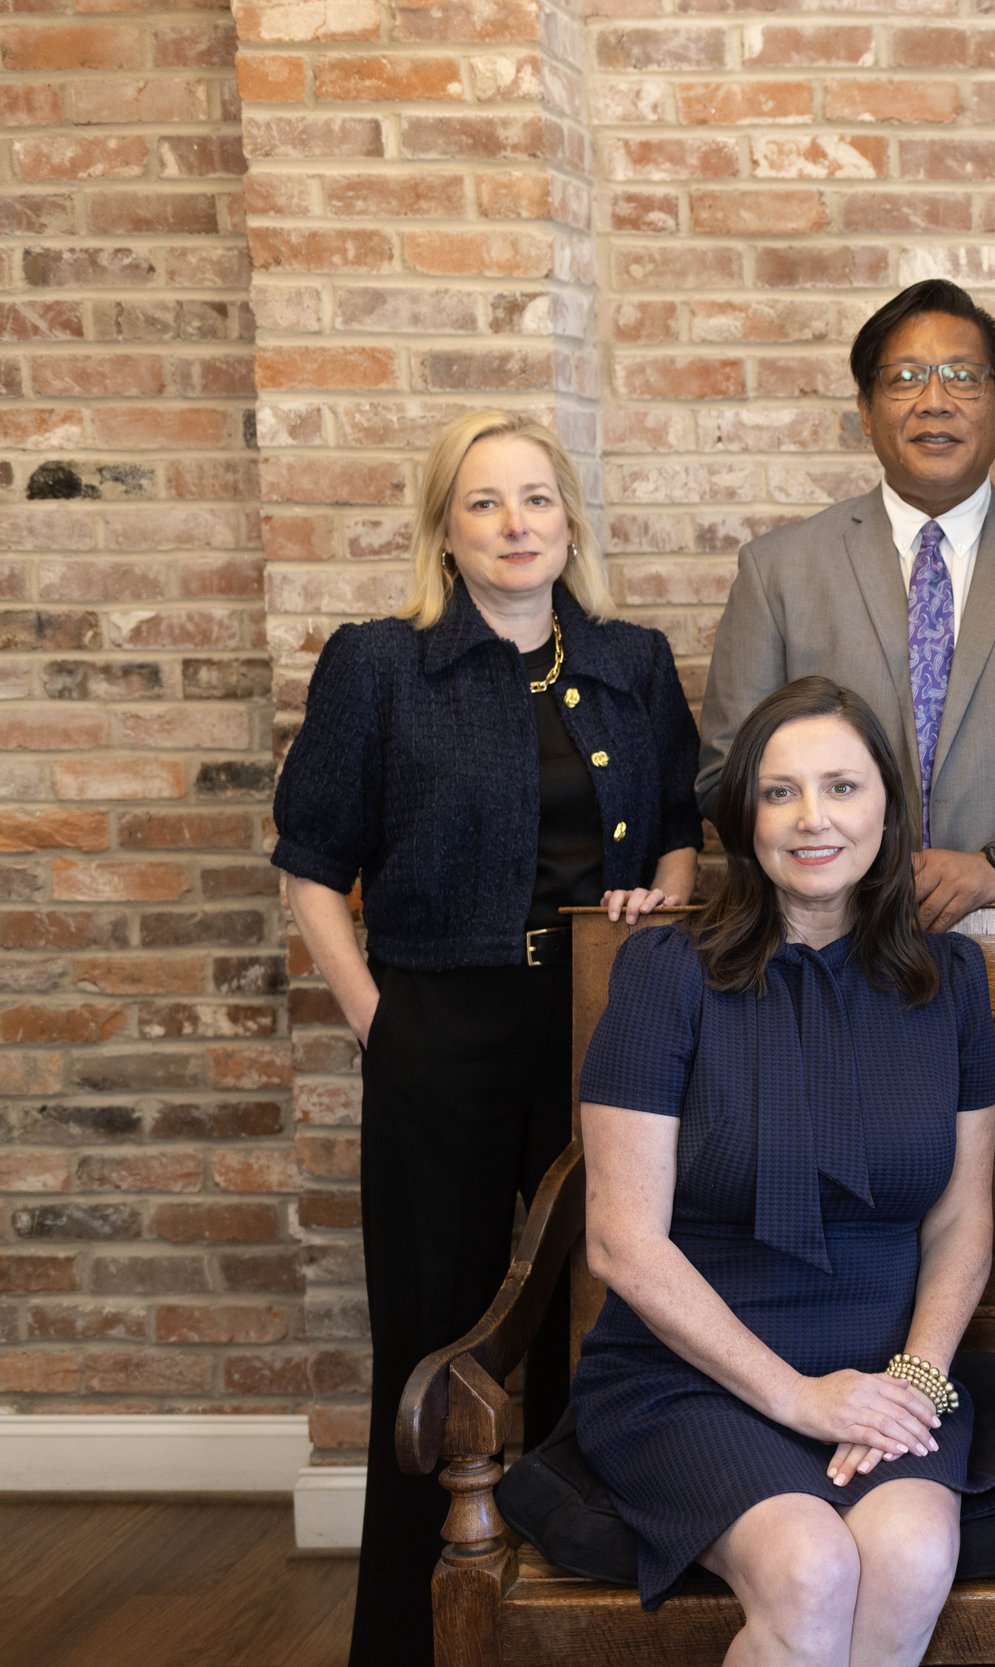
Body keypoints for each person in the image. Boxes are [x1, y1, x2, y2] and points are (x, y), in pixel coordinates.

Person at [270, 409, 702, 1667]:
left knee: (593, 1321)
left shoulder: (630, 659)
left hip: (599, 1030)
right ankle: (408, 1640)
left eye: (536, 498)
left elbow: (680, 827)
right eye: (484, 502)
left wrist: (656, 909)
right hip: (441, 1029)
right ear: (445, 531)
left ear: (569, 519)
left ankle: (577, 1622)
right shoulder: (380, 664)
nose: (516, 524)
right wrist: (380, 1019)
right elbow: (311, 863)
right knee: (437, 1340)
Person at [570, 677, 995, 1663]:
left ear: (887, 808)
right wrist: (798, 1396)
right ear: (744, 818)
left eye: (842, 787)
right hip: (691, 1374)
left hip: (889, 1370)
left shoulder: (951, 980)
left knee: (911, 1554)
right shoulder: (666, 971)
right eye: (780, 792)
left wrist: (916, 1378)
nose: (814, 818)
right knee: (810, 1567)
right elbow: (621, 1241)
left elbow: (961, 1221)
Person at [698, 279, 995, 930]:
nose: (935, 401)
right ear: (865, 409)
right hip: (831, 940)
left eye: (963, 377)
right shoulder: (778, 572)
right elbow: (727, 772)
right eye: (905, 378)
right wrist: (842, 862)